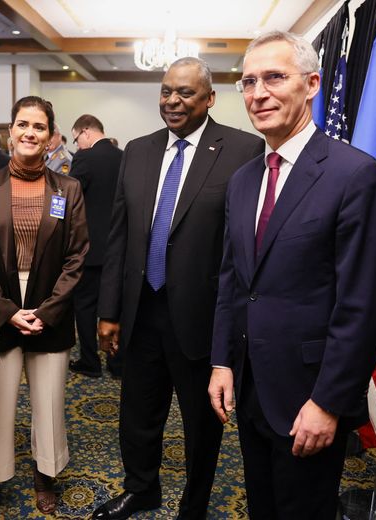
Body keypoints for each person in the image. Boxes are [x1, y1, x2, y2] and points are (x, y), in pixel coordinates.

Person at [208, 31, 376, 519]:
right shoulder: (244, 180)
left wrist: (329, 402)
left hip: (309, 397)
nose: (258, 93)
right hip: (249, 390)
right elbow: (233, 281)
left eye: (274, 77)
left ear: (311, 84)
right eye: (247, 82)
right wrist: (222, 362)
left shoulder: (355, 175)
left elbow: (363, 305)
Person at [92, 57, 263, 520]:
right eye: (166, 90)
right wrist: (109, 311)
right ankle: (141, 488)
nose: (172, 100)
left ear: (209, 98)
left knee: (200, 426)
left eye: (185, 92)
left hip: (201, 318)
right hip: (141, 312)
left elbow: (241, 247)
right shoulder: (138, 149)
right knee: (137, 414)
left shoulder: (244, 150)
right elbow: (119, 236)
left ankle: (195, 505)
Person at [0, 96, 88, 516]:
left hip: (49, 308)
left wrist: (48, 310)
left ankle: (46, 474)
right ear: (10, 130)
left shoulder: (68, 189)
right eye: (22, 124)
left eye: (39, 127)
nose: (29, 133)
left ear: (51, 135)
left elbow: (77, 257)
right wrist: (7, 311)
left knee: (50, 402)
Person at [67, 114, 122, 378]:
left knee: (85, 307)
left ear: (86, 131)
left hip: (90, 250)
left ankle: (90, 362)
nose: (77, 145)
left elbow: (71, 199)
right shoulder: (123, 157)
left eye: (77, 139)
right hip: (118, 250)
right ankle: (116, 361)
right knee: (114, 307)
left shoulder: (84, 158)